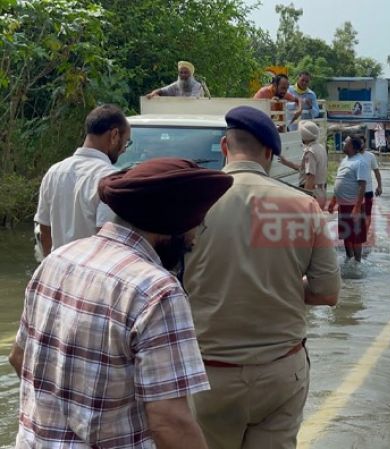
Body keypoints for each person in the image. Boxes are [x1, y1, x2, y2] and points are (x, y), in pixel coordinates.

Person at [10, 158, 233, 449]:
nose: (193, 240)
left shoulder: (58, 259)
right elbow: (170, 421)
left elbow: (18, 357)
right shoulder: (157, 291)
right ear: (171, 226)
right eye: (194, 227)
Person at [184, 106, 340, 449]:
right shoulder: (303, 207)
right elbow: (328, 292)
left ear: (225, 146)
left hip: (207, 373)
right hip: (281, 370)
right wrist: (282, 286)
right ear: (269, 153)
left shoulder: (190, 204)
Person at [35, 104, 130, 257]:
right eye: (126, 142)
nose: (124, 149)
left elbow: (44, 229)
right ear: (114, 135)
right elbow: (106, 240)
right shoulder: (110, 179)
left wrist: (50, 266)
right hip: (90, 276)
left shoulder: (54, 172)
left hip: (58, 272)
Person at [328, 136, 369, 262]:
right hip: (343, 205)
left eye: (345, 142)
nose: (343, 143)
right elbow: (340, 181)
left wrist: (357, 207)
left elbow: (362, 185)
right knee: (346, 235)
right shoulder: (345, 160)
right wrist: (333, 201)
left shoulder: (360, 162)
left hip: (353, 206)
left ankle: (357, 263)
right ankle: (348, 259)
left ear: (352, 146)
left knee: (356, 237)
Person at [279, 120, 328, 208]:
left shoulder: (310, 152)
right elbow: (303, 169)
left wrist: (305, 199)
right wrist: (286, 162)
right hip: (320, 191)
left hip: (313, 193)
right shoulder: (320, 148)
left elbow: (310, 177)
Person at [358, 136, 382, 245]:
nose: (361, 145)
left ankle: (365, 235)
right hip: (355, 192)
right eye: (358, 143)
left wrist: (379, 186)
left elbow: (376, 172)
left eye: (362, 143)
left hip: (367, 191)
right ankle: (358, 235)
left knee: (367, 214)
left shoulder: (370, 156)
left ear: (365, 144)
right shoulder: (352, 156)